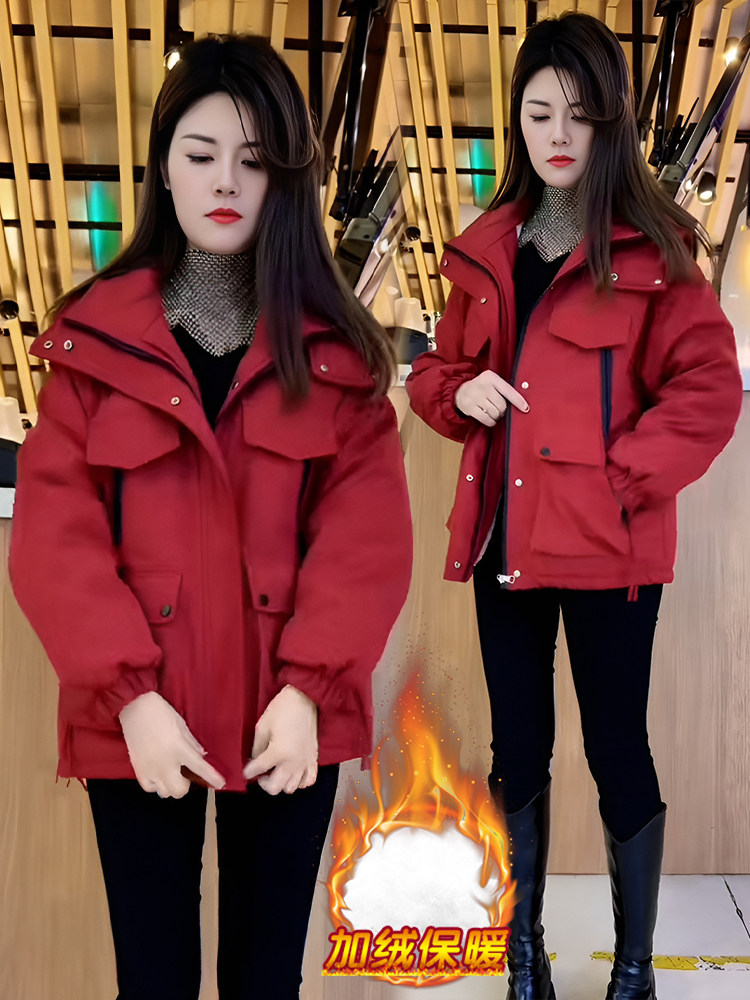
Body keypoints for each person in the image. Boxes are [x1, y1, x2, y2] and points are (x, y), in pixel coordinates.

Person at [10, 34, 412, 1000]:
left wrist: (310, 691)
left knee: (265, 978)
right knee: (152, 978)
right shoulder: (94, 343)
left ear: (287, 180)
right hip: (142, 721)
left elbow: (365, 546)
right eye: (200, 154)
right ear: (164, 168)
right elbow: (56, 541)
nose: (225, 181)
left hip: (287, 723)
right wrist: (129, 698)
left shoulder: (338, 357)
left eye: (253, 160)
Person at [406, 13, 742, 1000]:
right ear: (517, 119)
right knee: (518, 749)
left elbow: (706, 389)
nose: (558, 133)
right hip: (506, 543)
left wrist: (622, 477)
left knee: (617, 746)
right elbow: (436, 372)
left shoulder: (658, 250)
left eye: (580, 114)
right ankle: (525, 958)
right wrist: (456, 391)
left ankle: (634, 972)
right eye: (539, 111)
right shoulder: (486, 249)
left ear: (612, 122)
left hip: (612, 551)